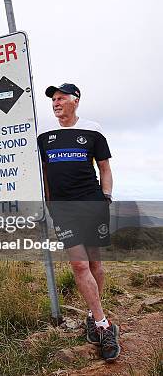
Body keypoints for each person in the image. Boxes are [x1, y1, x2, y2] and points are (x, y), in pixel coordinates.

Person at [36, 83, 120, 362]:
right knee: (79, 263)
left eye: (61, 98)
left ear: (76, 101)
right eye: (53, 99)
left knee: (94, 262)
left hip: (92, 203)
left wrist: (105, 197)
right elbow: (45, 171)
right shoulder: (45, 135)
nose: (56, 103)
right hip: (63, 208)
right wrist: (49, 202)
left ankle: (92, 313)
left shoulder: (93, 130)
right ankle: (103, 324)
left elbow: (105, 168)